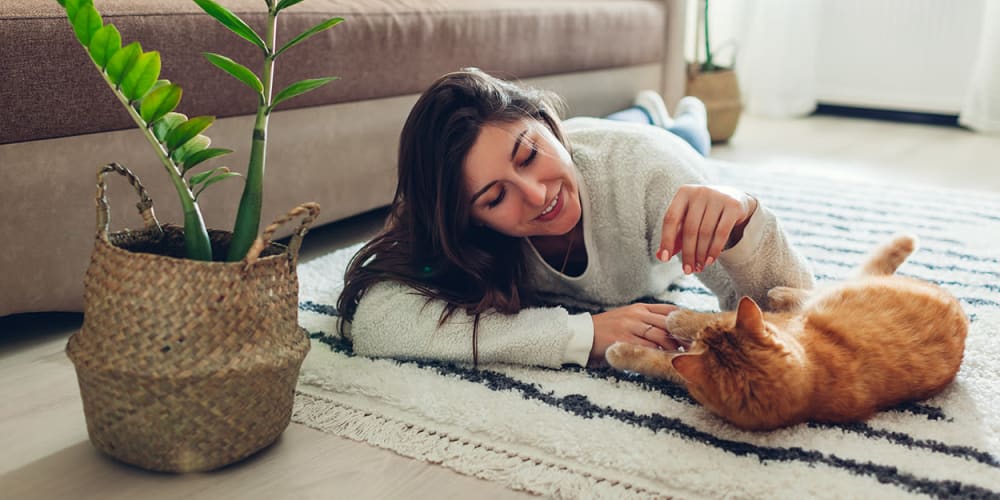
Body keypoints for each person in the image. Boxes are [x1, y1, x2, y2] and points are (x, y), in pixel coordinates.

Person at [337, 68, 814, 368]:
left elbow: (793, 311)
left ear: (546, 123)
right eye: (495, 197)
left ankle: (677, 114)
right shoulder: (455, 221)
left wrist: (746, 221)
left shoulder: (655, 176)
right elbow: (378, 321)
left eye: (527, 156)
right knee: (612, 137)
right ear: (470, 219)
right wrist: (580, 334)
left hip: (657, 149)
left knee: (688, 134)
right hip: (588, 146)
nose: (536, 194)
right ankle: (639, 112)